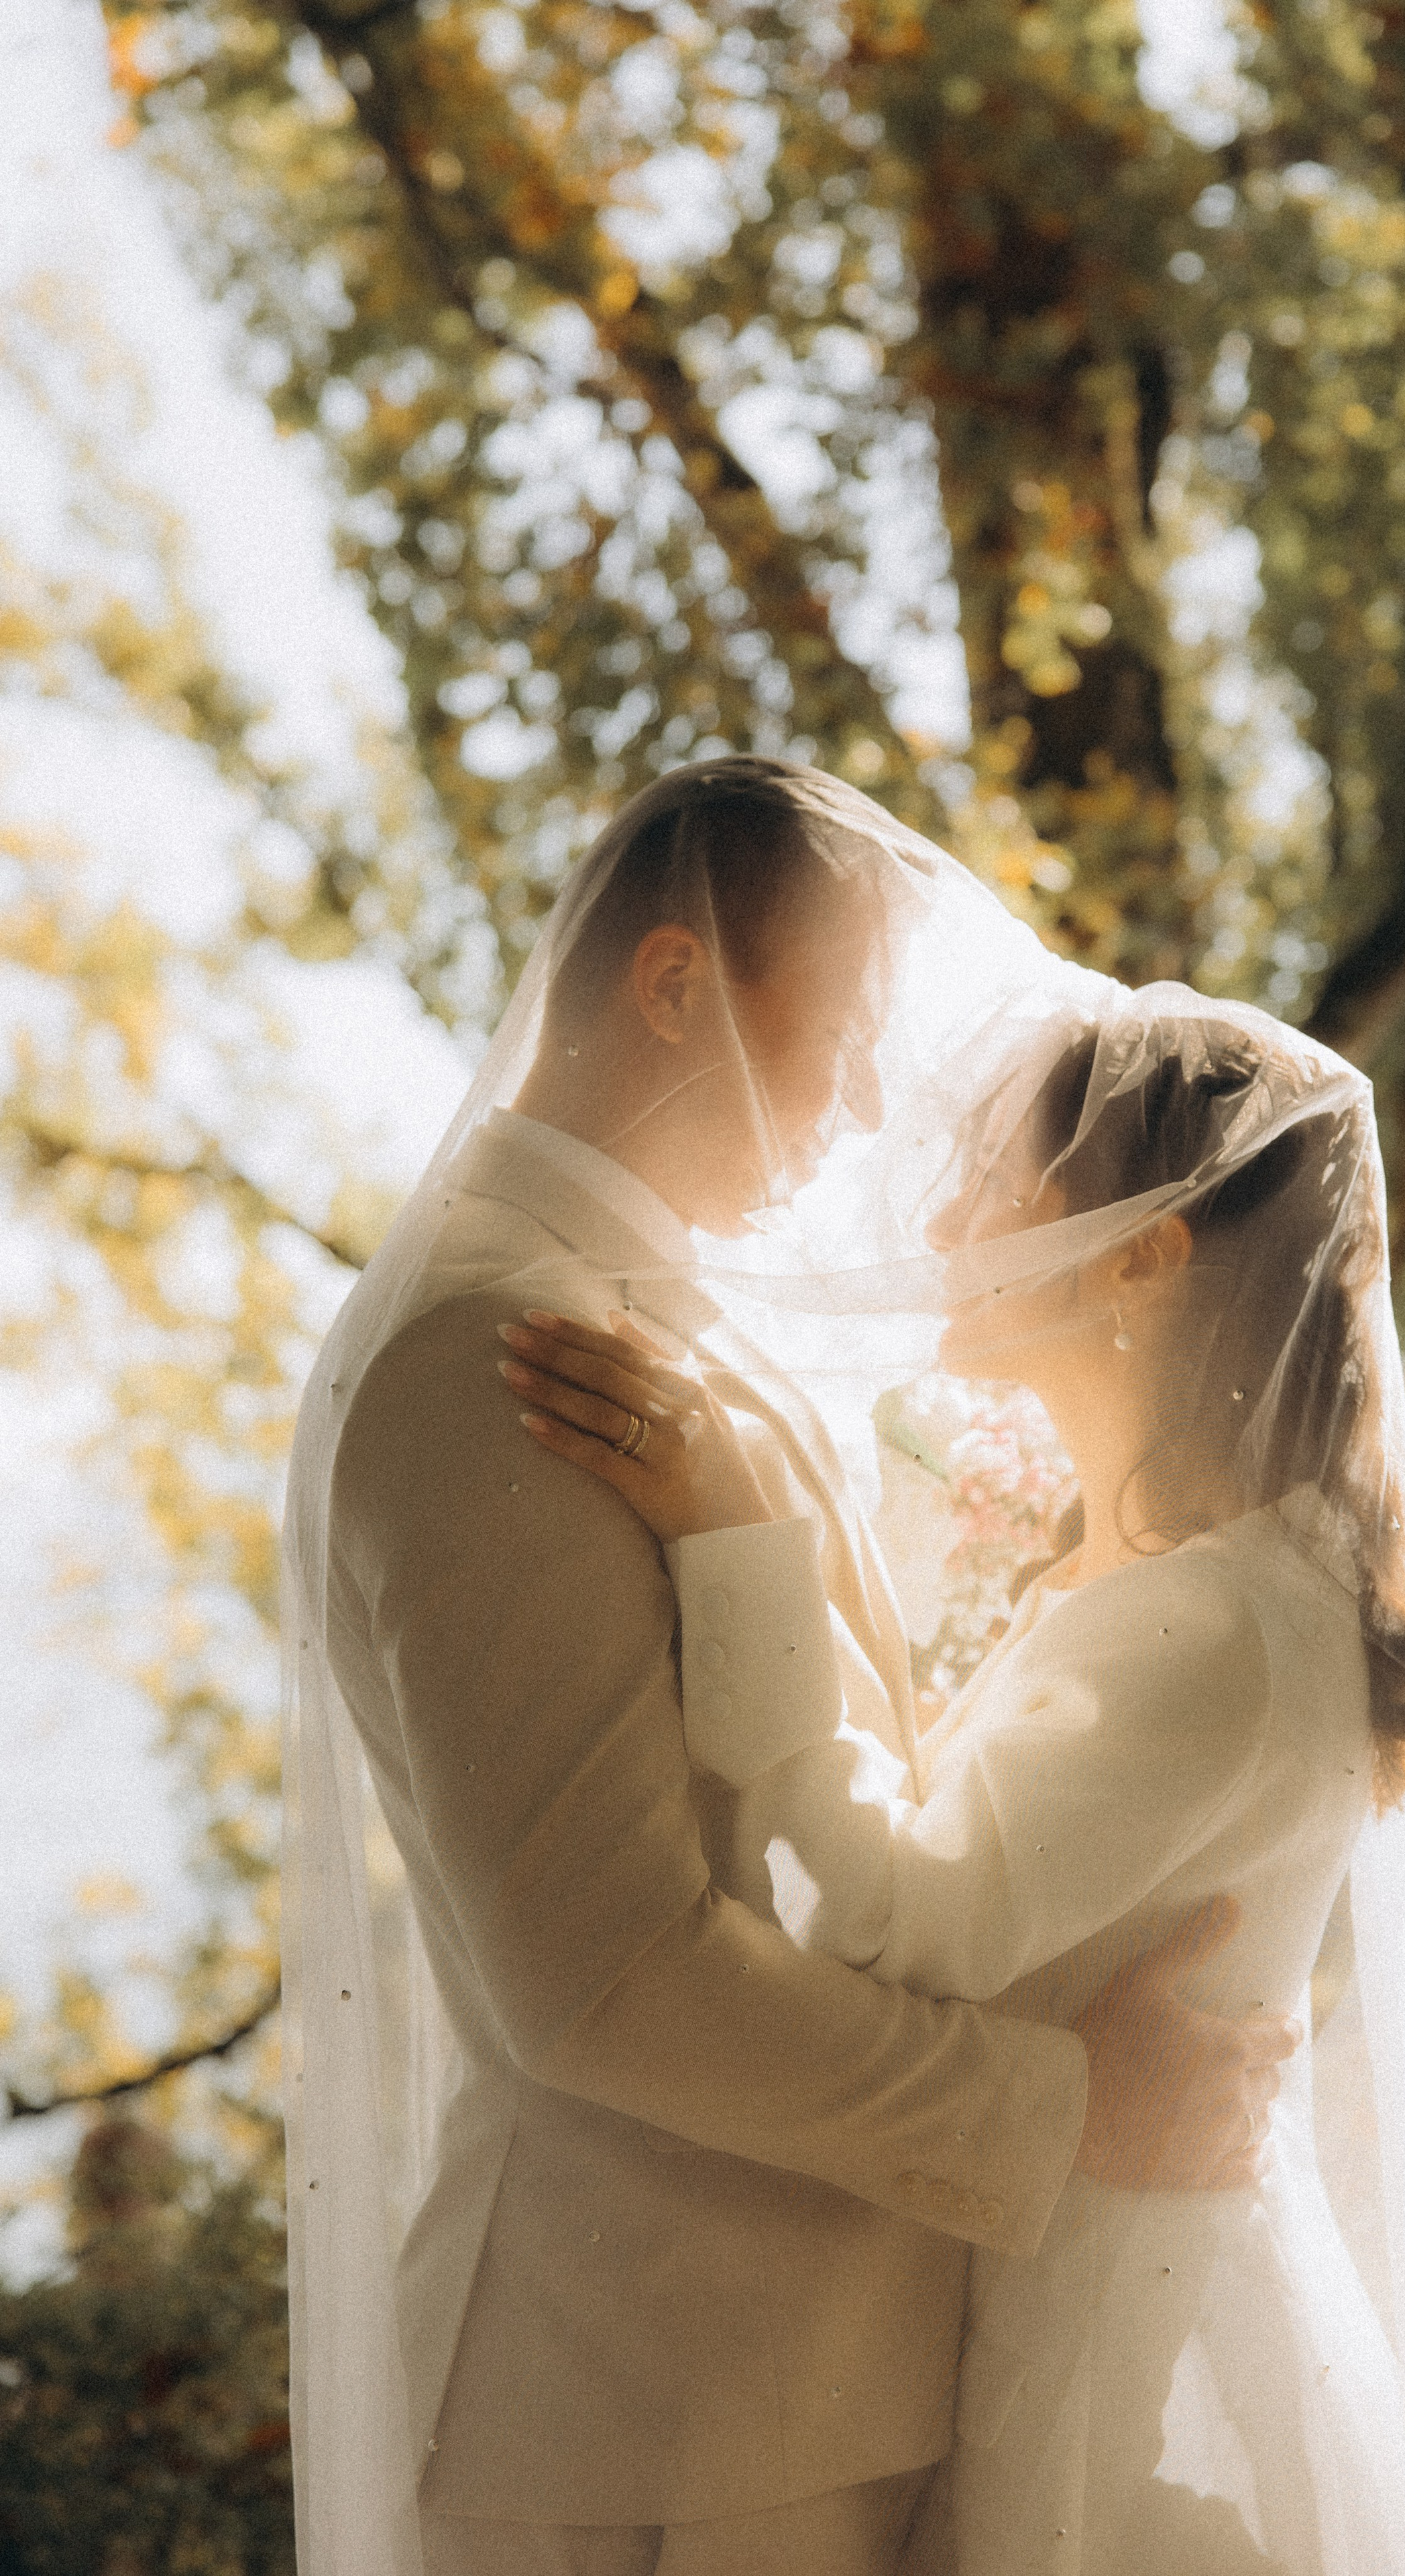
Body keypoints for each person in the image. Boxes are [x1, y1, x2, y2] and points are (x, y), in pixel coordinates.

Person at [280, 761, 1298, 2576]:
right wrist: (1071, 2111)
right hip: (640, 2422)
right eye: (830, 1038)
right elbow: (599, 1981)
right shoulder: (493, 1356)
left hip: (771, 2393)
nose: (851, 1115)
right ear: (674, 988)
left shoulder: (621, 1315)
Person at [507, 987, 1405, 2576]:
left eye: (994, 1184)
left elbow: (889, 1922)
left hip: (1095, 2368)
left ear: (1138, 1260)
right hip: (1125, 2285)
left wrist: (739, 1546)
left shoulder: (1209, 1627)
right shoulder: (1233, 1582)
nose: (943, 1218)